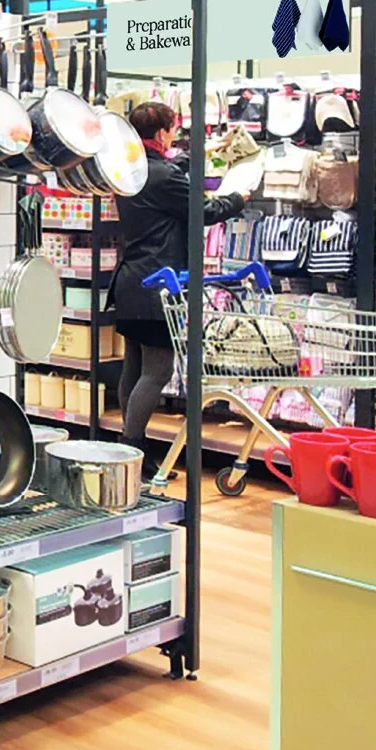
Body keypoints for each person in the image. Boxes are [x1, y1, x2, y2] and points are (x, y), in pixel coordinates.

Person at [110, 102, 249, 479]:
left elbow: (167, 172)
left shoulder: (130, 169)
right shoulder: (162, 176)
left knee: (134, 366)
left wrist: (202, 152)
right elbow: (205, 211)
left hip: (131, 281)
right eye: (172, 130)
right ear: (161, 133)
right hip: (159, 284)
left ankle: (130, 453)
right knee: (157, 371)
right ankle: (132, 452)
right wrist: (239, 198)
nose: (173, 136)